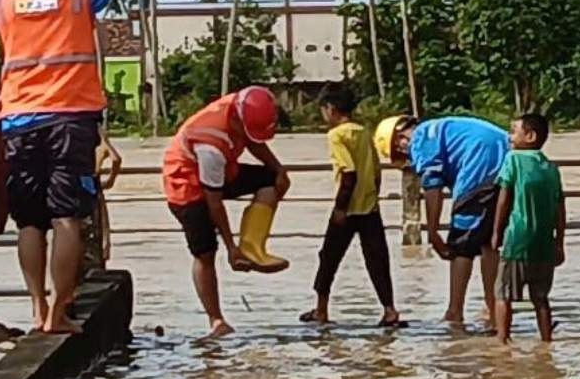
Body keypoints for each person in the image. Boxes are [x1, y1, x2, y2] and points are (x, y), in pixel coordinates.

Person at [0, 0, 111, 334]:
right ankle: (59, 314)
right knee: (67, 219)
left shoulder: (3, 5)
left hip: (18, 122)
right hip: (70, 121)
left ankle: (38, 307)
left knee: (29, 223)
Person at [163, 86, 291, 337]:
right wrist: (231, 247)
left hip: (224, 167)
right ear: (236, 120)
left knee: (270, 181)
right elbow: (214, 202)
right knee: (205, 252)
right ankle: (216, 320)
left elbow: (254, 141)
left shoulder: (242, 104)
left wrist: (279, 170)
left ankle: (253, 248)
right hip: (187, 184)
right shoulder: (210, 144)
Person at [374, 115, 509, 326]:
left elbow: (432, 187)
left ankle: (455, 312)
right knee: (487, 242)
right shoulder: (440, 128)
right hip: (506, 155)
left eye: (399, 151)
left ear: (401, 137)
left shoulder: (421, 139)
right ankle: (493, 309)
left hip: (478, 163)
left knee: (462, 244)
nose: (405, 155)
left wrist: (433, 231)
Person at [299, 86, 403, 327]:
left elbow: (349, 173)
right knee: (377, 259)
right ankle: (390, 310)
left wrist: (340, 209)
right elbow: (376, 173)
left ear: (331, 109)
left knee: (329, 257)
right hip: (370, 209)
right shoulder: (365, 132)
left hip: (348, 209)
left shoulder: (336, 135)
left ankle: (321, 309)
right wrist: (374, 199)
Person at [491, 114, 565, 344]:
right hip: (544, 244)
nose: (509, 136)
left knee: (502, 293)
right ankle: (546, 341)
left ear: (530, 136)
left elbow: (504, 199)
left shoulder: (513, 160)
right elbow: (560, 208)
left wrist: (496, 232)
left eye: (514, 131)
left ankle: (502, 342)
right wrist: (559, 242)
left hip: (517, 240)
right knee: (541, 298)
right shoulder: (551, 168)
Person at [96, 126, 123, 263]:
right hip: (92, 186)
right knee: (100, 239)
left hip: (66, 185)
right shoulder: (93, 129)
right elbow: (115, 158)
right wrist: (110, 180)